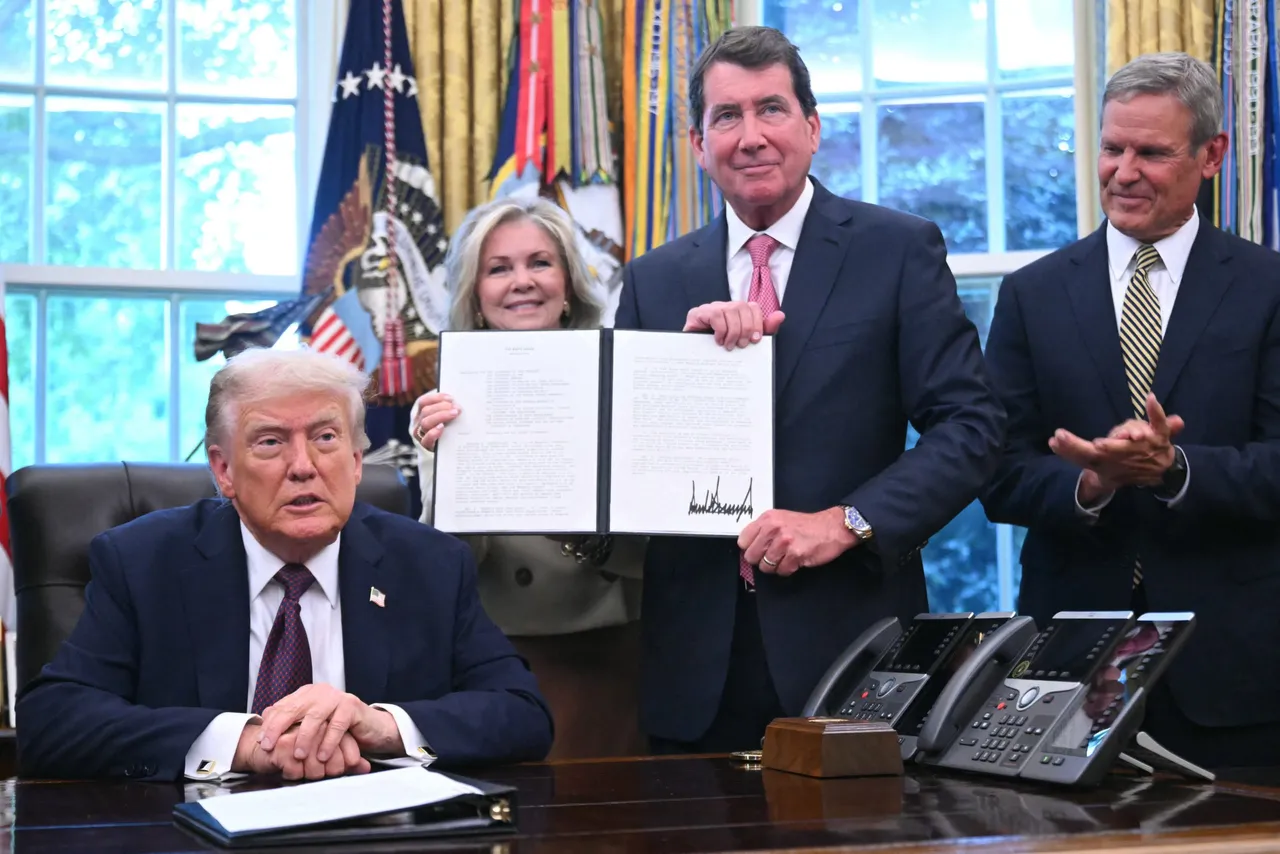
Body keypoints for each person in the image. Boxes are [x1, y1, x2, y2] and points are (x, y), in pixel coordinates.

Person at [613, 26, 1005, 753]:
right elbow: (622, 466)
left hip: (853, 653)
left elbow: (971, 429)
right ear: (699, 145)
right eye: (727, 117)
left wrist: (846, 521)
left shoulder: (896, 249)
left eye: (772, 109)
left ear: (814, 128)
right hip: (695, 675)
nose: (752, 135)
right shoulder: (654, 279)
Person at [16, 347, 553, 781]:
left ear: (357, 460)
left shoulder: (430, 564)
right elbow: (53, 722)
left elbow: (523, 713)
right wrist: (246, 742)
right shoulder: (142, 562)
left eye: (325, 438)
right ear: (223, 470)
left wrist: (381, 725)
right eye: (271, 442)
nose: (304, 467)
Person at [981, 51, 1280, 767]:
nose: (1124, 171)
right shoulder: (1033, 295)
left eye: (1152, 152)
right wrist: (1091, 483)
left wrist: (1174, 470)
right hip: (1073, 665)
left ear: (1213, 155)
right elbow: (995, 473)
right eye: (1112, 148)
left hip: (1237, 671)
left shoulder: (1268, 288)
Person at [410, 196, 647, 758]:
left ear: (569, 284)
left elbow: (663, 535)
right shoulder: (444, 403)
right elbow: (449, 569)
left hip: (617, 644)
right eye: (499, 268)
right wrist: (449, 472)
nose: (522, 281)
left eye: (540, 263)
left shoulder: (629, 379)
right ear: (475, 293)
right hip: (505, 651)